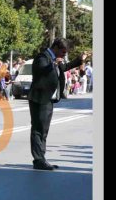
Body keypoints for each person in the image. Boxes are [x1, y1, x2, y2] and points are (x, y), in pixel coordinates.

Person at [28, 39, 88, 170]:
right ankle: (38, 160)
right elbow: (42, 70)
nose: (64, 55)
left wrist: (80, 59)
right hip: (39, 98)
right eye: (63, 52)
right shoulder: (42, 57)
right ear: (55, 47)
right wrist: (53, 64)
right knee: (38, 129)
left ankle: (41, 158)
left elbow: (65, 67)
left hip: (48, 99)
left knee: (44, 130)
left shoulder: (55, 59)